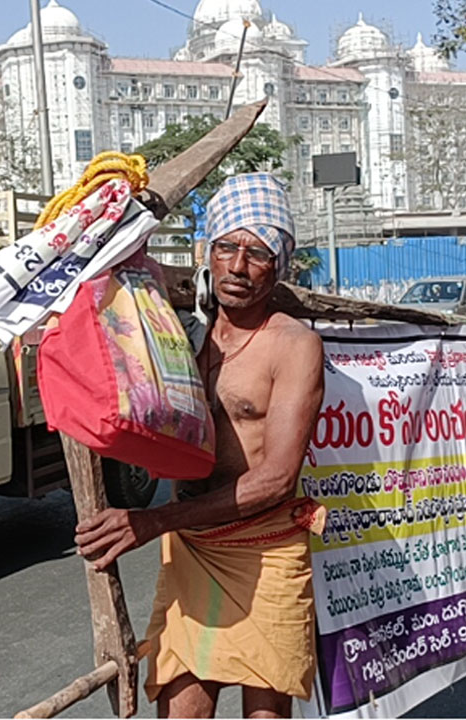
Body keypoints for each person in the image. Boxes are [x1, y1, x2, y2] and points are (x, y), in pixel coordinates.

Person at [75, 173, 325, 719]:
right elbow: (110, 266)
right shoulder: (180, 331)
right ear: (207, 252)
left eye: (257, 252)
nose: (238, 266)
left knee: (265, 710)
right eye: (227, 247)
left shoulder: (295, 346)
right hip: (192, 547)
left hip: (266, 550)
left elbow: (277, 479)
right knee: (180, 708)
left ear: (278, 264)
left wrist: (151, 520)